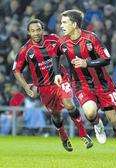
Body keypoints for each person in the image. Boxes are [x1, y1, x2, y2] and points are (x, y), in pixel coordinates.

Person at [54, 10, 116, 158]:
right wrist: (57, 73)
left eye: (64, 22)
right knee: (90, 112)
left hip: (103, 84)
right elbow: (55, 55)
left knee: (114, 120)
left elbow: (107, 59)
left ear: (74, 24)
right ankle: (97, 124)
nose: (61, 25)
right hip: (81, 84)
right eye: (61, 22)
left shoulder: (91, 38)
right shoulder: (62, 41)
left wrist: (86, 63)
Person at [12, 19, 93, 152]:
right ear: (29, 32)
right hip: (44, 87)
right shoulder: (25, 50)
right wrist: (26, 87)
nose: (36, 33)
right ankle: (63, 136)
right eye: (33, 31)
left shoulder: (53, 40)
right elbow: (16, 70)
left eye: (38, 29)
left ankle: (83, 134)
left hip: (61, 79)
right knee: (56, 115)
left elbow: (67, 49)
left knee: (69, 104)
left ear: (42, 29)